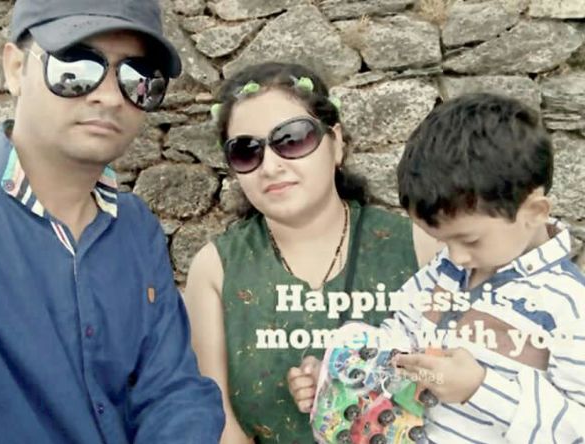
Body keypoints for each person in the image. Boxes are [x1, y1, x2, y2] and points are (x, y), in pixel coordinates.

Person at [0, 0, 224, 443]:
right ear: (15, 69)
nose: (109, 96)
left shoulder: (136, 229)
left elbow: (173, 390)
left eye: (137, 77)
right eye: (75, 66)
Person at [289, 93, 585, 442]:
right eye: (444, 241)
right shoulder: (446, 271)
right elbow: (397, 339)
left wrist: (480, 388)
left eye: (470, 240)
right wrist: (339, 372)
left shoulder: (568, 307)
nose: (455, 256)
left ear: (534, 212)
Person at [184, 62, 440, 443]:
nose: (271, 166)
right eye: (246, 151)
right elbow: (219, 422)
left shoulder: (419, 247)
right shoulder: (216, 269)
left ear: (335, 143)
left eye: (292, 139)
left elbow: (460, 388)